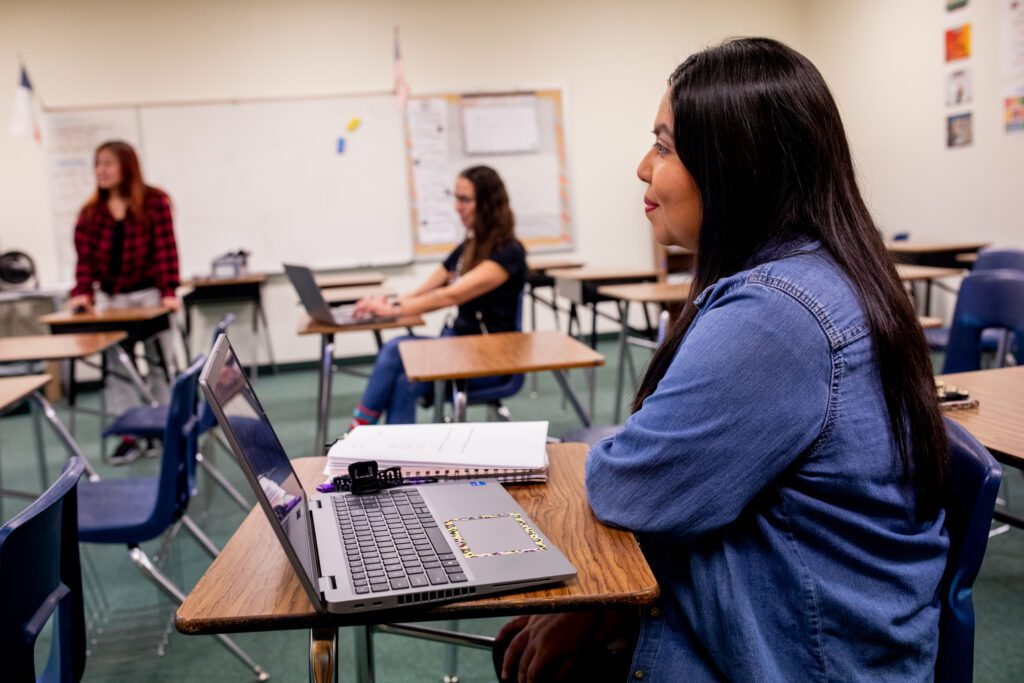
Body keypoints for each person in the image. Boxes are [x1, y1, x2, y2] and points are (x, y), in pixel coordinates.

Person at [496, 38, 950, 682]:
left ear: (738, 166)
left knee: (536, 651)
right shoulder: (815, 271)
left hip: (803, 657)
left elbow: (632, 486)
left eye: (663, 146)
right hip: (789, 614)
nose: (641, 168)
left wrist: (599, 608)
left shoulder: (777, 315)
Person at [348, 165, 526, 428]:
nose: (457, 207)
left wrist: (393, 311)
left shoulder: (508, 252)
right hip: (460, 349)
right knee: (403, 380)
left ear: (488, 204)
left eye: (465, 199)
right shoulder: (469, 247)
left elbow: (449, 295)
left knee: (397, 347)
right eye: (455, 198)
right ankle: (396, 456)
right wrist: (388, 304)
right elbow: (426, 290)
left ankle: (358, 431)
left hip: (492, 360)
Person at [69, 140, 181, 461]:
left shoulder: (154, 201)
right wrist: (83, 293)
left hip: (150, 297)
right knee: (117, 369)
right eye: (97, 164)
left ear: (126, 166)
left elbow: (165, 249)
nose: (100, 171)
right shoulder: (91, 213)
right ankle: (129, 435)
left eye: (107, 163)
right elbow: (84, 261)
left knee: (160, 364)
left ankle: (164, 428)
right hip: (112, 301)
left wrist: (169, 292)